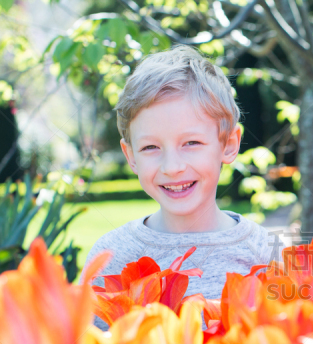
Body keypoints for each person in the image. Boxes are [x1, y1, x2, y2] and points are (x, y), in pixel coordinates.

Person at [83, 45, 283, 327]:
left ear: (229, 145)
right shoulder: (110, 258)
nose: (172, 167)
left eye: (191, 143)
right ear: (131, 156)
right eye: (150, 147)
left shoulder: (265, 253)